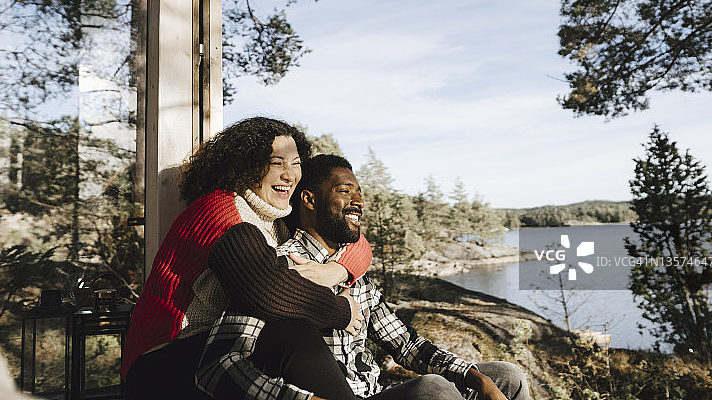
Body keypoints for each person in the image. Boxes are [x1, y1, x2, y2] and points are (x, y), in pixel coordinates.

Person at [196, 154, 531, 400]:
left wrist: (474, 377)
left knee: (507, 376)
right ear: (309, 199)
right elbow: (218, 365)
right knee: (433, 390)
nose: (358, 201)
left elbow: (409, 346)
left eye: (359, 193)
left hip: (377, 391)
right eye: (345, 192)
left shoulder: (355, 275)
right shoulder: (276, 272)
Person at [122, 118, 371, 400]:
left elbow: (354, 238)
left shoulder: (276, 218)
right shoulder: (219, 211)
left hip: (224, 346)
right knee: (292, 333)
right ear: (247, 166)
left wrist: (337, 270)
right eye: (278, 163)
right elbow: (267, 291)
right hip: (163, 363)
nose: (290, 175)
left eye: (296, 163)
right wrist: (341, 311)